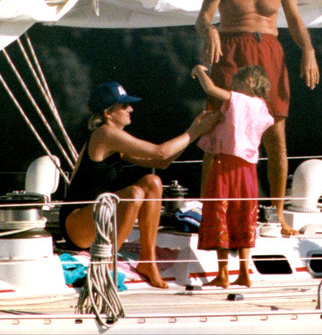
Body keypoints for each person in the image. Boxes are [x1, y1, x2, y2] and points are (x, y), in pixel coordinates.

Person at [195, 0, 319, 236]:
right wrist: (209, 29)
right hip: (232, 47)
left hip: (269, 50)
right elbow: (203, 16)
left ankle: (278, 212)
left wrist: (308, 49)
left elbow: (293, 18)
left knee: (276, 133)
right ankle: (209, 210)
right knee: (218, 130)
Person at [58, 81, 220, 289]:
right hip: (75, 224)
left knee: (152, 182)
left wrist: (193, 129)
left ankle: (148, 260)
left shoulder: (114, 140)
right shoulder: (105, 134)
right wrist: (196, 131)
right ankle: (109, 263)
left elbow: (162, 162)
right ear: (108, 113)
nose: (130, 109)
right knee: (134, 193)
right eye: (124, 106)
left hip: (96, 219)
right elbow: (160, 151)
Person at [192, 64, 275, 288]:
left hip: (226, 164)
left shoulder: (238, 101)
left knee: (221, 212)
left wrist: (199, 71)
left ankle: (223, 273)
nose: (233, 85)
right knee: (243, 214)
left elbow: (210, 88)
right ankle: (244, 271)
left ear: (249, 83)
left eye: (238, 81)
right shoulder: (262, 107)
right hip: (248, 169)